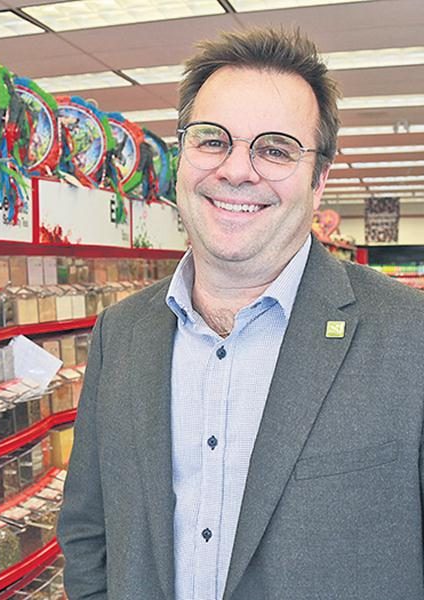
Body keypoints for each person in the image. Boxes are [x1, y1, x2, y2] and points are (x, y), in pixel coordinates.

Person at [57, 27, 424, 600]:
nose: (236, 170)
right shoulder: (121, 334)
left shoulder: (409, 338)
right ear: (183, 156)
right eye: (212, 140)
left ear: (319, 180)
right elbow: (88, 529)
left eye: (275, 149)